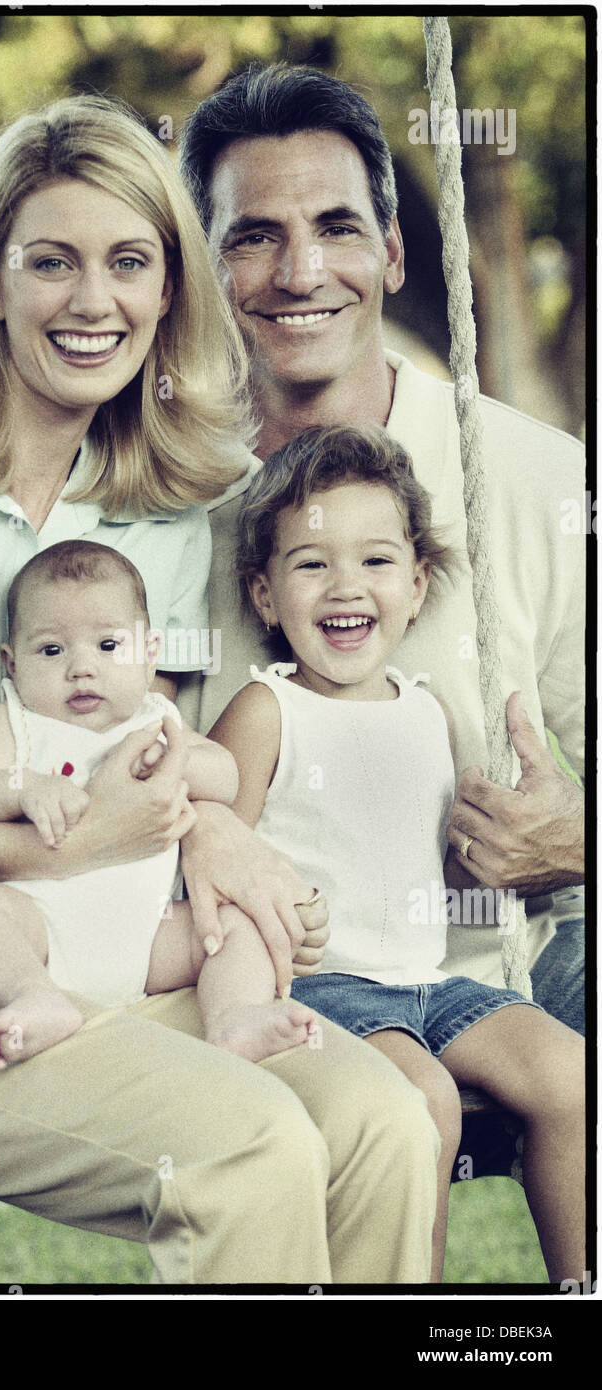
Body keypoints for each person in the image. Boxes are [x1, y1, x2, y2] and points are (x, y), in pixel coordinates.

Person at [0, 93, 439, 1284]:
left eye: (129, 262)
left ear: (169, 288)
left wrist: (216, 826)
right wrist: (52, 854)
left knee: (379, 1119)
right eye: (51, 262)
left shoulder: (161, 519)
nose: (92, 301)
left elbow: (148, 764)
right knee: (247, 1145)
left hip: (109, 960)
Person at [177, 62, 585, 1042]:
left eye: (336, 228)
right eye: (254, 237)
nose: (300, 271)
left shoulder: (527, 475)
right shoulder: (160, 495)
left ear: (393, 253)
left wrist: (577, 839)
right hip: (262, 970)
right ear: (203, 268)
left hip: (513, 963)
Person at [208, 423, 584, 1281]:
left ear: (416, 587)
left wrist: (485, 844)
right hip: (323, 986)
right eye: (311, 564)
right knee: (423, 1103)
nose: (346, 586)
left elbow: (441, 874)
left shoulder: (428, 711)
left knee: (571, 1074)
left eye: (375, 562)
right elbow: (213, 857)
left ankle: (579, 1287)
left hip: (436, 978)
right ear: (263, 595)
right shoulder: (266, 711)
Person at [0, 539, 317, 1069]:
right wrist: (25, 787)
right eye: (52, 650)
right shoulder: (17, 723)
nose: (81, 668)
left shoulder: (156, 720)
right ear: (12, 661)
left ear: (151, 654)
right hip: (41, 928)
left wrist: (176, 758)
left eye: (109, 646)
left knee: (232, 923)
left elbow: (227, 777)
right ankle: (34, 993)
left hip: (151, 937)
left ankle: (235, 1016)